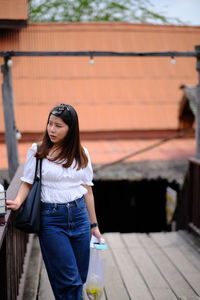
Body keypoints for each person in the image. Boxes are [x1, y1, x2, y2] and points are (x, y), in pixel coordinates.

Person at [6, 103, 101, 300]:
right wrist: (17, 201)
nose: (51, 129)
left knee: (79, 277)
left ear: (71, 129)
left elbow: (88, 191)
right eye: (50, 123)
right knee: (68, 281)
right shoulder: (38, 151)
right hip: (51, 220)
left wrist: (94, 225)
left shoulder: (82, 153)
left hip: (79, 216)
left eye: (58, 125)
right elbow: (27, 182)